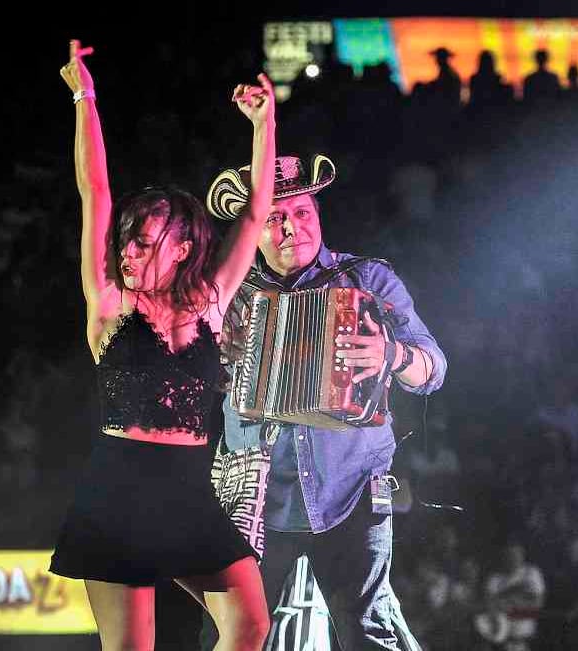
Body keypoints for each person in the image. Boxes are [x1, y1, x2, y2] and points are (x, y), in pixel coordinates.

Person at [49, 39, 276, 651]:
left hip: (187, 487)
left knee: (252, 624)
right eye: (127, 240)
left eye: (145, 242)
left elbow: (255, 216)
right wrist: (84, 96)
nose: (127, 251)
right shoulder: (109, 302)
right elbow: (94, 189)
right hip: (120, 488)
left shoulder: (209, 303)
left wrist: (264, 124)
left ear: (182, 249)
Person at [204, 150, 447, 649]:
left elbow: (433, 369)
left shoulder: (368, 280)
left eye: (302, 213)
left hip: (353, 489)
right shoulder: (228, 293)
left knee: (367, 631)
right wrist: (212, 358)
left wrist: (390, 354)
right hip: (256, 496)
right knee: (231, 636)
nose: (292, 228)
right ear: (253, 228)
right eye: (274, 218)